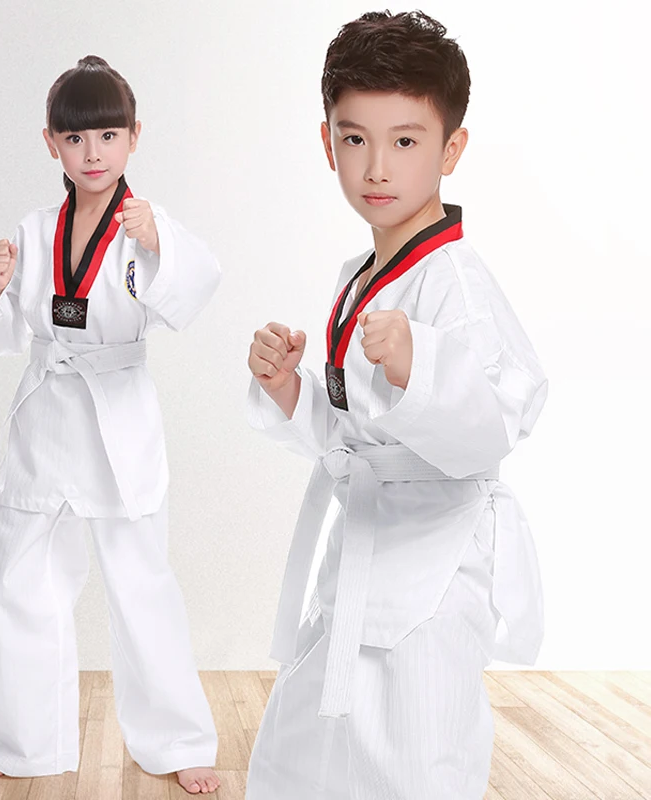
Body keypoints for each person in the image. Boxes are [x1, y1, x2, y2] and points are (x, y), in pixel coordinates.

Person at [245, 11, 548, 799]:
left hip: (433, 565)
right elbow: (355, 440)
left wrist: (423, 369)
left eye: (406, 141)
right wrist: (290, 391)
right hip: (364, 546)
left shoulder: (456, 285)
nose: (376, 167)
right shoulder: (361, 275)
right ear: (328, 143)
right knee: (303, 747)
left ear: (451, 149)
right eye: (355, 139)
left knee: (416, 754)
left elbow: (496, 425)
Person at [0, 55, 221, 795]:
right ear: (52, 144)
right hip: (46, 413)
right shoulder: (34, 228)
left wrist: (160, 243)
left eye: (108, 135)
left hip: (117, 414)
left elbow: (198, 286)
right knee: (18, 581)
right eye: (75, 138)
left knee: (141, 583)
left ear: (134, 137)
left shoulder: (145, 225)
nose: (93, 153)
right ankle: (23, 743)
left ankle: (177, 741)